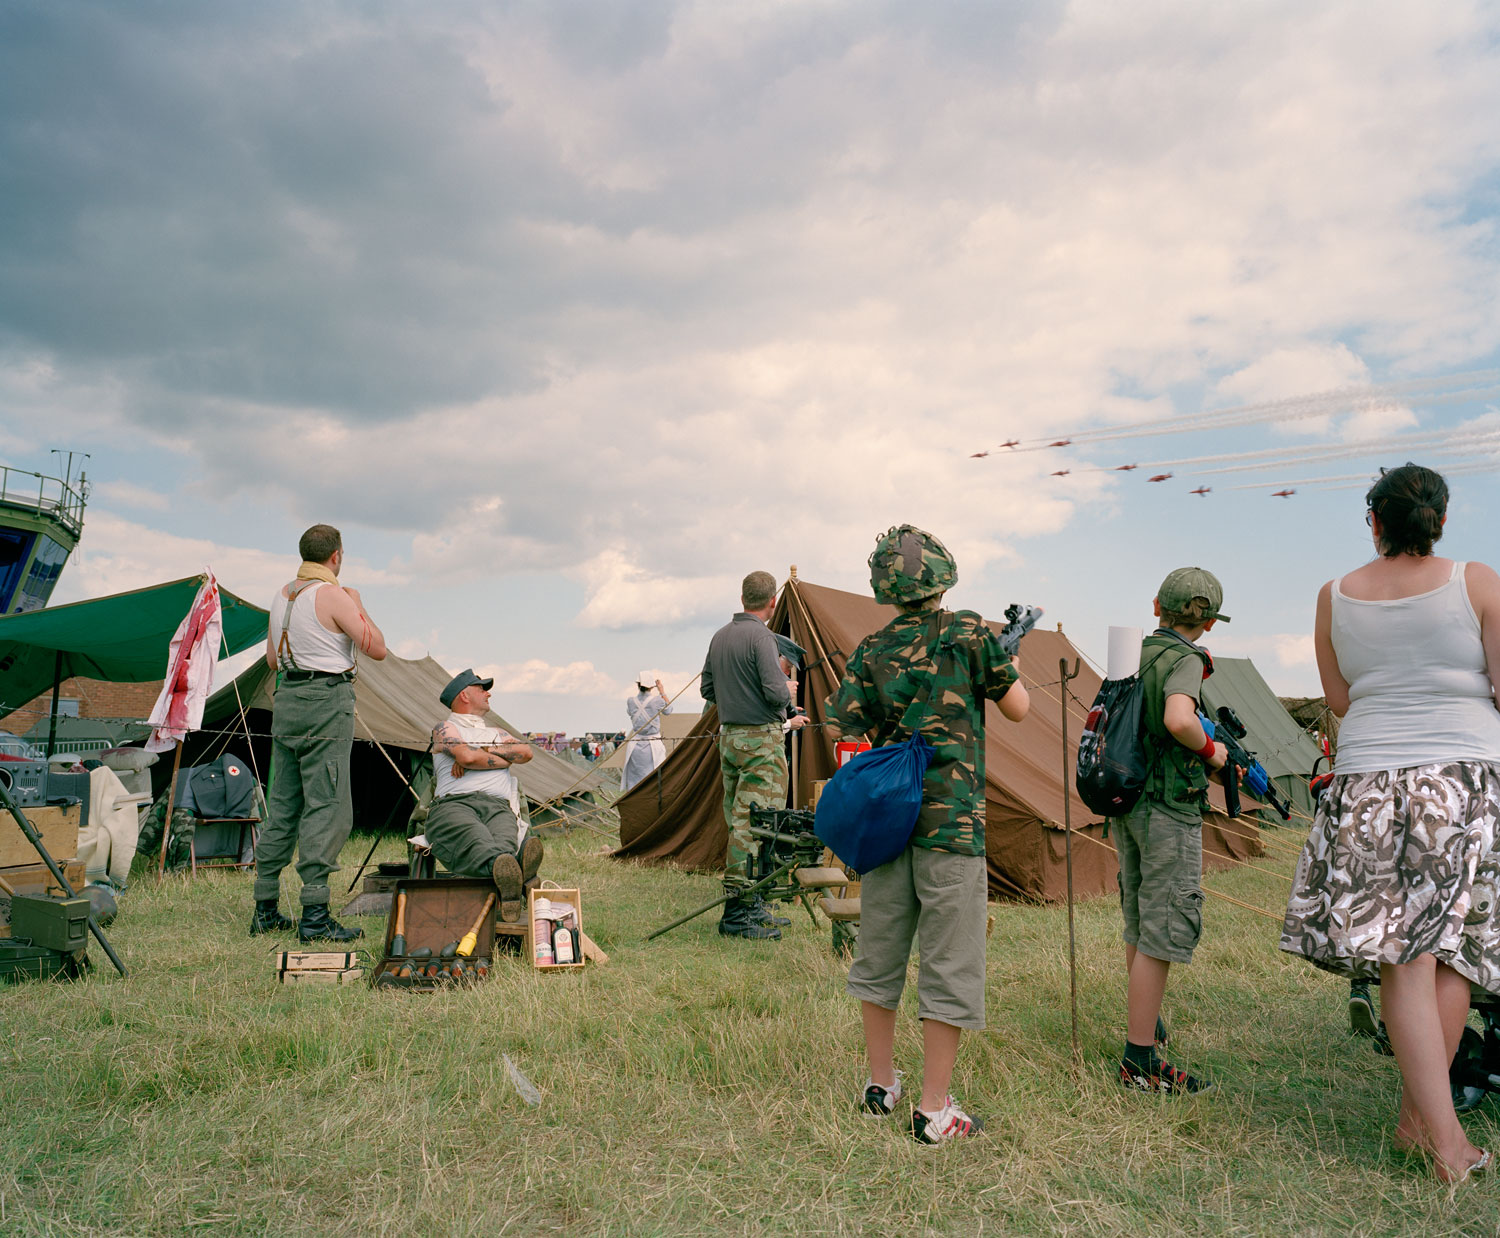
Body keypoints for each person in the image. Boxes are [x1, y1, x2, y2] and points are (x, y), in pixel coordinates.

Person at [1282, 463, 1500, 1183]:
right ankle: (1446, 1143)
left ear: (1373, 522)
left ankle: (1418, 1123)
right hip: (1459, 783)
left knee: (1401, 961)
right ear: (1440, 520)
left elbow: (1339, 699)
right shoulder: (1477, 582)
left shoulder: (1334, 596)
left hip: (1368, 781)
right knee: (1451, 953)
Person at [825, 525, 1029, 1143]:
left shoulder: (869, 649)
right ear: (943, 575)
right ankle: (935, 1108)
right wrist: (1007, 663)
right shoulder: (968, 632)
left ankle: (881, 1085)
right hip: (952, 824)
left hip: (887, 826)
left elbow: (846, 733)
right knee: (949, 961)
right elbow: (1017, 707)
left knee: (879, 951)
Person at [1112, 567, 1230, 1095]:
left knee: (1140, 918)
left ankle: (1146, 1023)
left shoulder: (1132, 653)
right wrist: (1212, 751)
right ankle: (1140, 1062)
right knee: (1164, 927)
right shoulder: (1185, 659)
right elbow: (1180, 718)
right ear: (1205, 621)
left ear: (1157, 605)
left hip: (1129, 802)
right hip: (1167, 806)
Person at [252, 524, 387, 942]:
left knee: (284, 805)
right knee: (327, 806)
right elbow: (377, 648)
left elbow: (273, 660)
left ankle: (265, 906)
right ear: (337, 556)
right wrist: (359, 606)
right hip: (324, 702)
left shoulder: (283, 595)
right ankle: (314, 915)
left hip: (287, 701)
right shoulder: (332, 595)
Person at [700, 570, 812, 940]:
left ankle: (755, 901)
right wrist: (787, 700)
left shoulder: (720, 636)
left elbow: (707, 688)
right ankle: (738, 914)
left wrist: (736, 702)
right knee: (757, 823)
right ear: (772, 602)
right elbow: (773, 689)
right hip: (760, 740)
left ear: (743, 597)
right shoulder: (762, 637)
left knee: (739, 819)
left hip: (729, 737)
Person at [427, 669, 544, 922]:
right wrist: (502, 759)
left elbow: (525, 753)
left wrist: (483, 749)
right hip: (455, 805)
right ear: (464, 695)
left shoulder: (497, 733)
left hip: (497, 805)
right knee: (475, 838)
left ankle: (509, 879)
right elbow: (467, 757)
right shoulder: (445, 728)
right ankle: (515, 873)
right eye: (482, 689)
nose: (488, 693)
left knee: (503, 841)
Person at [621, 673, 673, 792]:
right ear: (652, 686)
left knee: (635, 782)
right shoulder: (657, 701)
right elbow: (669, 710)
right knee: (654, 781)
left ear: (638, 685)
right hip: (652, 746)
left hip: (635, 746)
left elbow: (630, 712)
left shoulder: (630, 701)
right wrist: (662, 691)